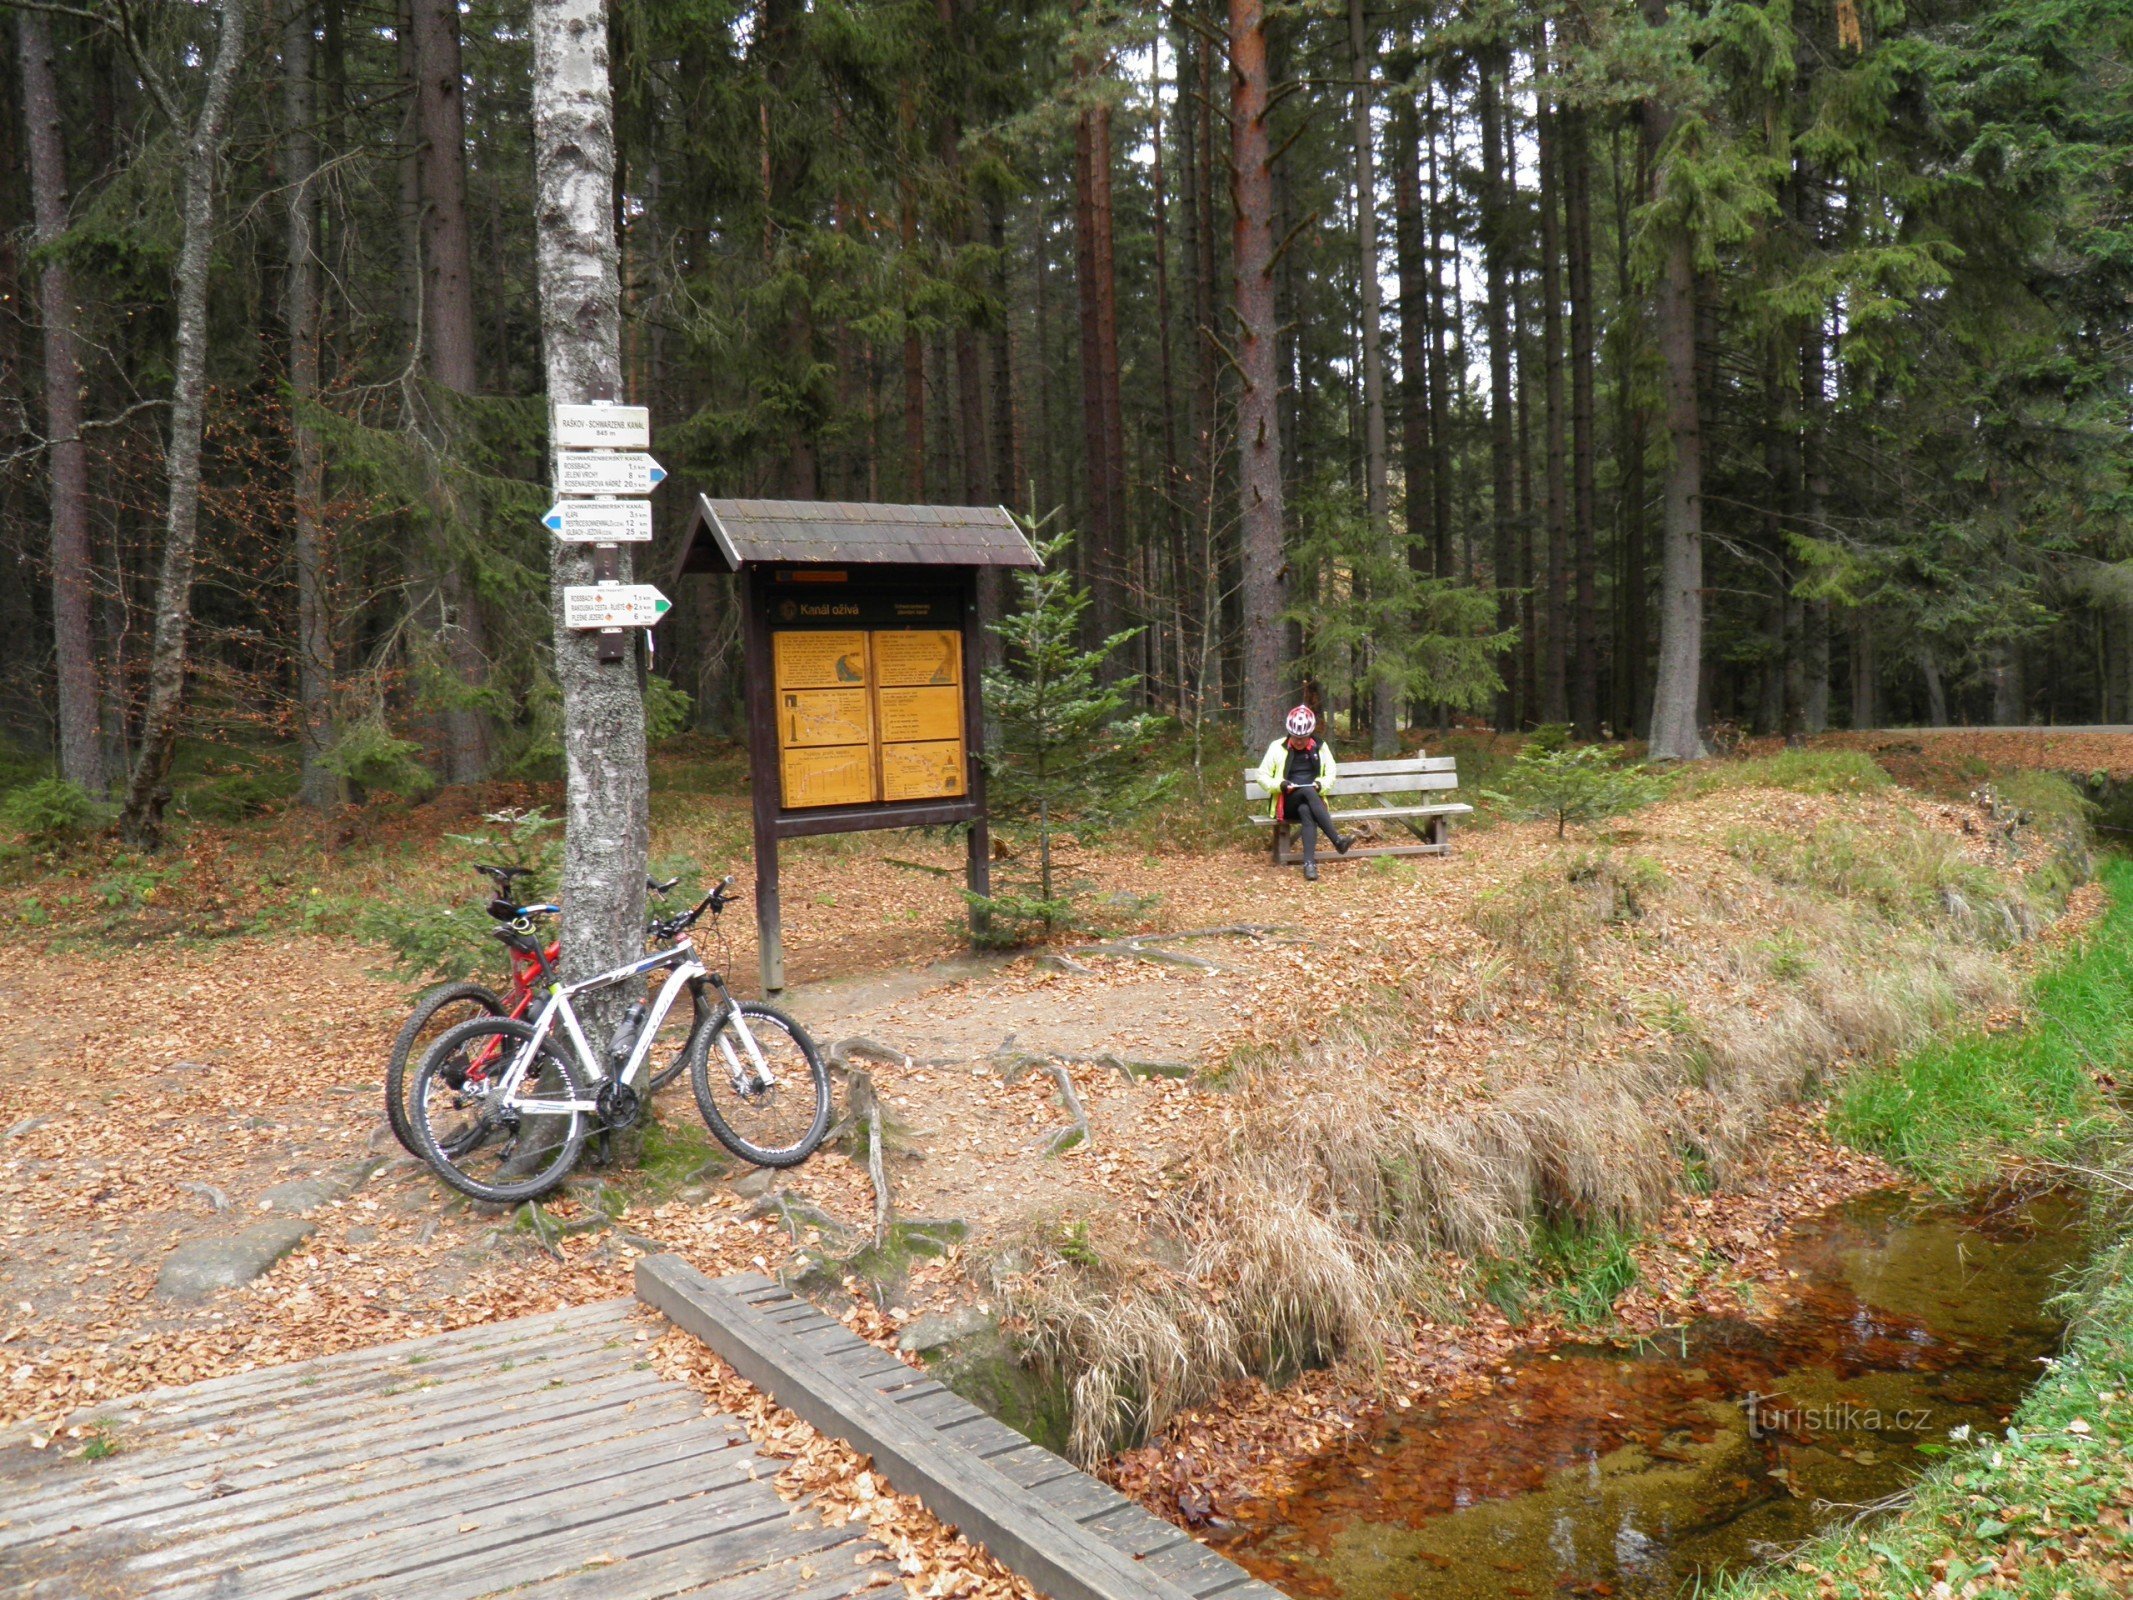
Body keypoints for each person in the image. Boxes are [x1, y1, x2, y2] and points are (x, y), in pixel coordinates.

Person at [1256, 705, 1354, 880]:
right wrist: (1281, 785)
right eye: (1295, 737)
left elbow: (1330, 774)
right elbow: (1261, 776)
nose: (1299, 741)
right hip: (1285, 803)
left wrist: (1319, 784)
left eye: (1303, 737)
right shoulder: (1277, 747)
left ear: (1310, 734)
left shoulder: (1321, 748)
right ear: (1289, 732)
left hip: (1311, 803)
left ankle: (1309, 865)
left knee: (1306, 810)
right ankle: (1337, 840)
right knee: (1308, 792)